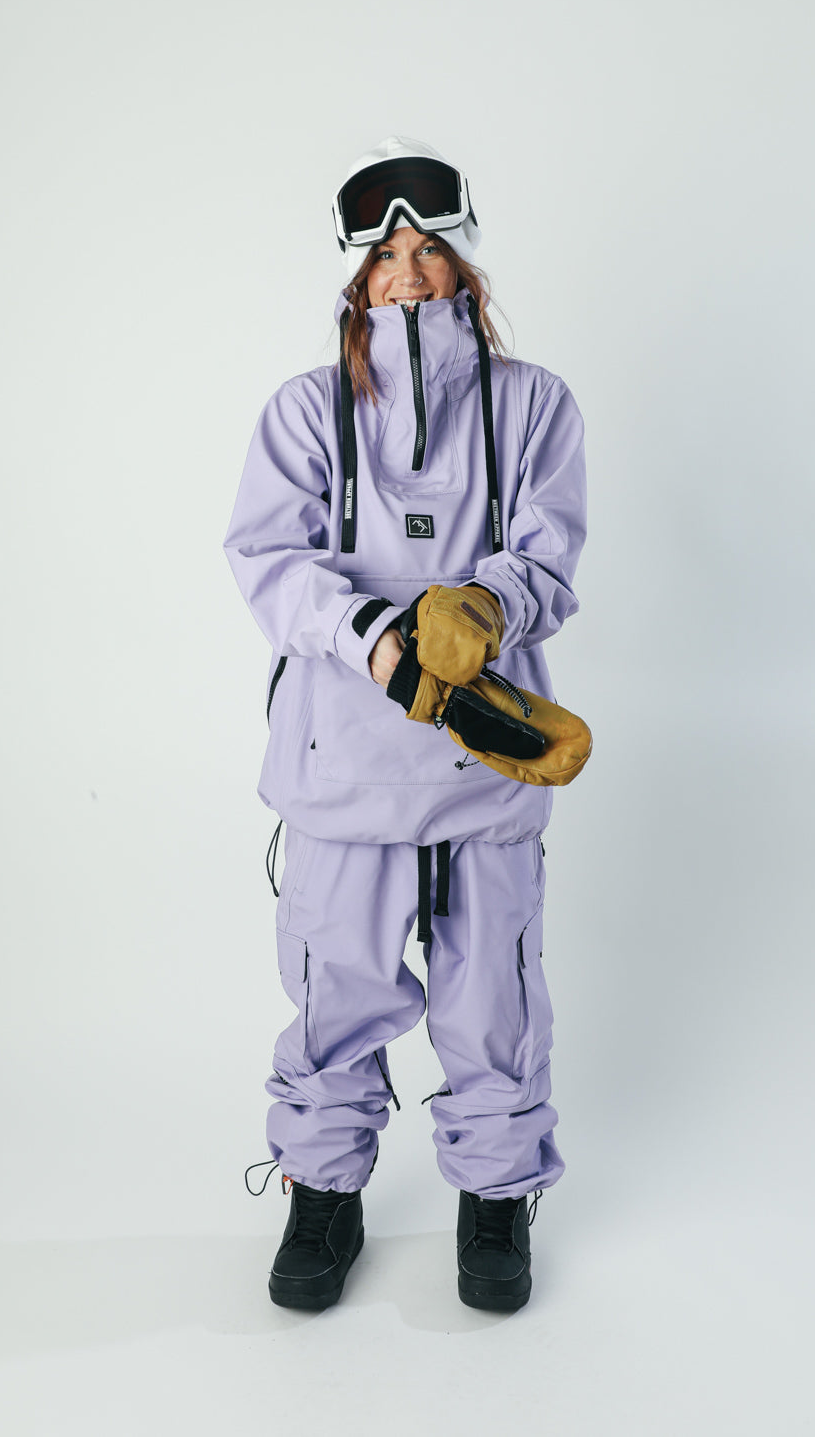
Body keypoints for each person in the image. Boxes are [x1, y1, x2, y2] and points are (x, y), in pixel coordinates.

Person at [223, 135, 587, 1312]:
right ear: (356, 277)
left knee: (494, 1000)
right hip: (340, 764)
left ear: (464, 264)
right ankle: (324, 1194)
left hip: (486, 764)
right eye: (386, 257)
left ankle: (496, 1196)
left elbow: (549, 553)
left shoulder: (535, 405)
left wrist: (483, 604)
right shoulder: (302, 411)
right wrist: (378, 633)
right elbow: (270, 562)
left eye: (429, 249)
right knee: (335, 991)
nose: (408, 271)